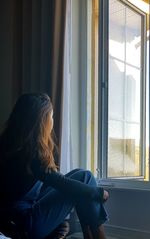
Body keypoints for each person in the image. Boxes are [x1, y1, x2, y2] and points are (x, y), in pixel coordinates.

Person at [0, 93, 109, 239]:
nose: (52, 121)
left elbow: (51, 183)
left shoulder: (12, 145)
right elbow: (61, 183)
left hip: (17, 219)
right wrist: (98, 193)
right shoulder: (30, 153)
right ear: (41, 121)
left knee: (83, 176)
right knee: (85, 179)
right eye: (51, 116)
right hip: (25, 223)